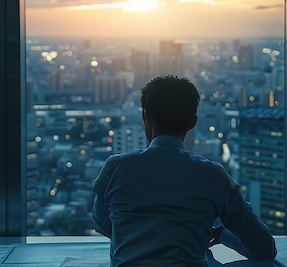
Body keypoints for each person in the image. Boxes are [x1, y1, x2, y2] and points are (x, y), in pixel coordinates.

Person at [91, 75, 277, 266]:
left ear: (146, 116)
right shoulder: (212, 175)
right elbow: (264, 249)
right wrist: (222, 235)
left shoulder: (116, 169)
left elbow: (104, 225)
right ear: (192, 122)